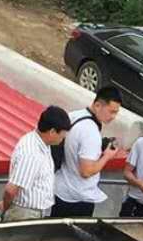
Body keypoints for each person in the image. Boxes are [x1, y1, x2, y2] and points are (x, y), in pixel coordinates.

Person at [52, 87, 125, 218]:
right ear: (97, 105)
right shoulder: (90, 132)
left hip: (61, 190)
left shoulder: (74, 116)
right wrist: (107, 156)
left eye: (116, 113)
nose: (113, 117)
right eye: (111, 111)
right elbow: (86, 171)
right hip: (78, 197)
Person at [0, 106, 71, 222]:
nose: (63, 139)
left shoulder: (42, 143)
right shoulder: (31, 152)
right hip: (25, 214)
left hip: (32, 212)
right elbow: (11, 189)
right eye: (62, 136)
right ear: (52, 132)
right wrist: (5, 206)